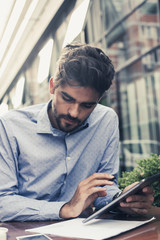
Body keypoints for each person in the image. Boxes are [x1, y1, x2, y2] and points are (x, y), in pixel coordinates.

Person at [0, 43, 154, 222]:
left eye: (87, 105)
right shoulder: (10, 126)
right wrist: (65, 208)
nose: (74, 112)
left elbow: (105, 188)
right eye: (67, 98)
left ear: (99, 100)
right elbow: (3, 202)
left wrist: (121, 199)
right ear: (52, 87)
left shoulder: (106, 120)